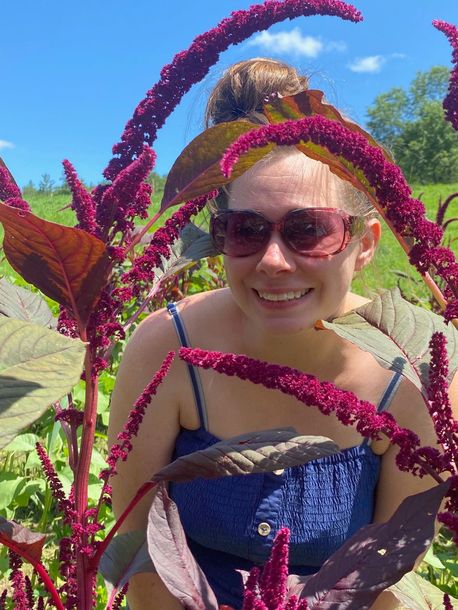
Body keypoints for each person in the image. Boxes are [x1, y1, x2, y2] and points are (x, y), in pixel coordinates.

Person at [108, 59, 447, 610]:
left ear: (364, 244)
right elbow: (141, 566)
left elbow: (386, 588)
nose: (272, 261)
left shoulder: (417, 378)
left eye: (308, 229)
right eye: (245, 230)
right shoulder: (166, 349)